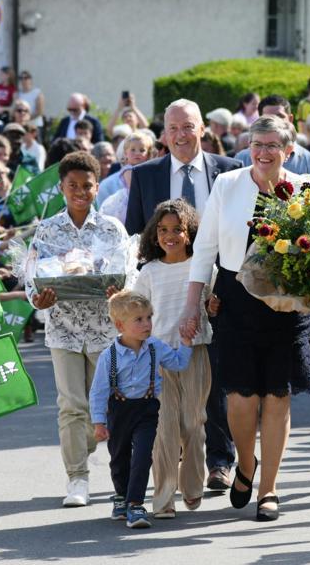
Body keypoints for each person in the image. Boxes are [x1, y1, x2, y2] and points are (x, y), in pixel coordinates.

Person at [180, 115, 310, 522]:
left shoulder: (308, 189)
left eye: (272, 145)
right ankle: (245, 463)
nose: (263, 152)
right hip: (236, 299)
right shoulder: (227, 184)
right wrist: (191, 305)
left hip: (287, 304)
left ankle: (269, 488)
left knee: (277, 395)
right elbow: (205, 250)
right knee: (240, 398)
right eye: (257, 144)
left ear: (288, 150)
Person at [26, 151, 129, 508]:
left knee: (108, 404)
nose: (80, 192)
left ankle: (120, 474)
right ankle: (77, 478)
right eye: (73, 186)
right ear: (61, 188)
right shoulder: (47, 230)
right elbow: (32, 275)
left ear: (98, 187)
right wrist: (38, 299)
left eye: (87, 186)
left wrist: (119, 291)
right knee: (71, 405)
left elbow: (127, 274)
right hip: (63, 330)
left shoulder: (112, 229)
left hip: (105, 330)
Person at [133, 199, 217, 519]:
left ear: (190, 232)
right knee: (164, 428)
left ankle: (193, 484)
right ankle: (164, 497)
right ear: (154, 235)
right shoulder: (149, 272)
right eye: (163, 230)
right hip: (157, 357)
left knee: (193, 423)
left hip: (195, 353)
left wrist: (213, 307)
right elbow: (137, 310)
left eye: (177, 230)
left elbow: (213, 305)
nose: (169, 236)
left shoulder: (204, 268)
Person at [90, 290, 193, 529]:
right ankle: (121, 495)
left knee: (143, 456)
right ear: (120, 325)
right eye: (139, 319)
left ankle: (135, 504)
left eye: (149, 317)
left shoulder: (155, 347)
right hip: (119, 411)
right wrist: (98, 422)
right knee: (119, 457)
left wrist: (186, 344)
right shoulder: (109, 356)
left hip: (147, 409)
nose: (147, 324)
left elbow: (178, 363)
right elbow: (98, 392)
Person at [123, 99, 240, 235]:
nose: (181, 135)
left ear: (202, 129)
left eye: (188, 126)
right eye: (173, 128)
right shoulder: (144, 175)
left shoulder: (231, 170)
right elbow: (134, 235)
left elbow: (241, 226)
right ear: (165, 133)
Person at [233, 95, 310, 175]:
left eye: (279, 117)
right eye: (268, 118)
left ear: (290, 119)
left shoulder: (308, 162)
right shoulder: (242, 159)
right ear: (260, 120)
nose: (274, 122)